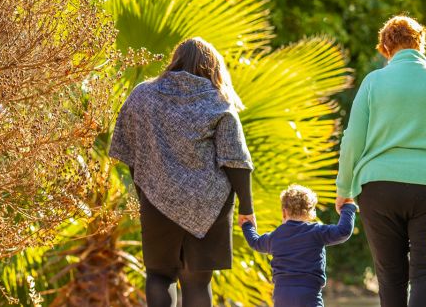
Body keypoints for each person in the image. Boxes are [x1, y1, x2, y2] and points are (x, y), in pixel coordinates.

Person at [335, 15, 426, 307]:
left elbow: (352, 140)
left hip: (379, 187)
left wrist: (345, 189)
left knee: (390, 277)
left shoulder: (373, 82)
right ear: (421, 43)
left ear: (385, 48)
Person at [109, 37, 256, 307]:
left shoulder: (142, 94)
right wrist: (247, 209)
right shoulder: (217, 101)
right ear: (211, 66)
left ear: (175, 60)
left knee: (159, 275)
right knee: (197, 281)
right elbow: (235, 161)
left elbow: (130, 151)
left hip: (156, 200)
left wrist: (146, 190)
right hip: (208, 205)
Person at [241, 185, 356, 307]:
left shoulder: (275, 236)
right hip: (308, 294)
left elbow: (255, 242)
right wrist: (348, 207)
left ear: (284, 212)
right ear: (311, 213)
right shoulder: (316, 232)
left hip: (282, 295)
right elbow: (343, 231)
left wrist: (247, 225)